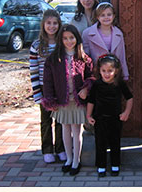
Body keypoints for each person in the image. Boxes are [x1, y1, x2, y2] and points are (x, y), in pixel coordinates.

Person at [41, 24, 93, 176]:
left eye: (72, 38)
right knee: (65, 129)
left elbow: (91, 76)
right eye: (65, 38)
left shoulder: (84, 58)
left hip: (77, 101)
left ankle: (76, 160)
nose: (69, 41)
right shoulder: (53, 59)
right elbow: (48, 81)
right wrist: (50, 100)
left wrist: (86, 88)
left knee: (76, 131)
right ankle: (68, 159)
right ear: (60, 39)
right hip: (62, 101)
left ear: (77, 38)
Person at [86, 54, 133, 177]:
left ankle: (115, 165)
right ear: (99, 71)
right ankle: (101, 165)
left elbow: (129, 98)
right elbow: (91, 100)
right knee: (100, 143)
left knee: (115, 142)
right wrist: (88, 115)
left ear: (116, 71)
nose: (107, 74)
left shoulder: (119, 83)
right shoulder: (97, 84)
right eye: (104, 71)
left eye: (110, 71)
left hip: (115, 119)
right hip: (99, 119)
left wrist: (126, 112)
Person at [29, 9, 65, 164]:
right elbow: (34, 71)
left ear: (59, 24)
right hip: (44, 88)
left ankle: (61, 148)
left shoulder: (62, 43)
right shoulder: (36, 46)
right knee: (46, 120)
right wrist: (37, 93)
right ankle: (47, 149)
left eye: (55, 23)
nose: (52, 26)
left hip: (60, 87)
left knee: (60, 120)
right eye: (48, 23)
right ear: (43, 24)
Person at [82, 2, 129, 80]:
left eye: (109, 15)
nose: (106, 17)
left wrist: (125, 74)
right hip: (96, 73)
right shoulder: (87, 33)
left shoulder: (118, 34)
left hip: (113, 73)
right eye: (102, 15)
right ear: (97, 17)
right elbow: (86, 55)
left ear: (113, 16)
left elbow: (122, 55)